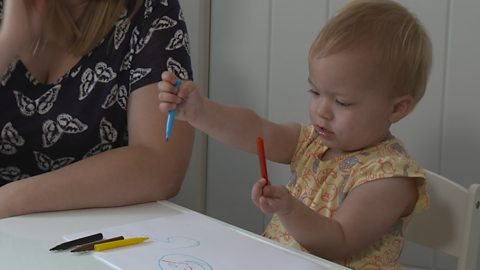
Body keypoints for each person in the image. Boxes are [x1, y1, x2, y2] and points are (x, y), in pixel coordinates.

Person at [158, 0, 431, 268]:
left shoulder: (388, 177)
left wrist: (289, 210)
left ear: (397, 108)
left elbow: (339, 241)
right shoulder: (312, 141)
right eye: (315, 92)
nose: (322, 110)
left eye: (342, 102)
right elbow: (256, 131)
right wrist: (200, 112)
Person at [0, 0, 194, 218]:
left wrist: (13, 200)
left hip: (91, 233)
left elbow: (161, 166)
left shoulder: (150, 9)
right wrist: (8, 42)